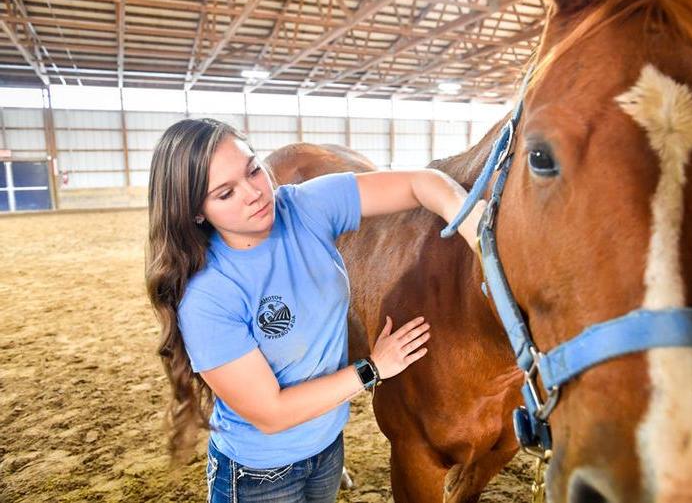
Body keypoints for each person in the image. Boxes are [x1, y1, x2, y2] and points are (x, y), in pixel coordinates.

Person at [145, 118, 481, 503]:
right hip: (259, 474)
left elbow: (421, 183)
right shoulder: (208, 294)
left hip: (326, 448)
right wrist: (373, 369)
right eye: (225, 194)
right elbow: (271, 414)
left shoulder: (303, 207)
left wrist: (474, 225)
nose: (254, 193)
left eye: (253, 169)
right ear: (196, 212)